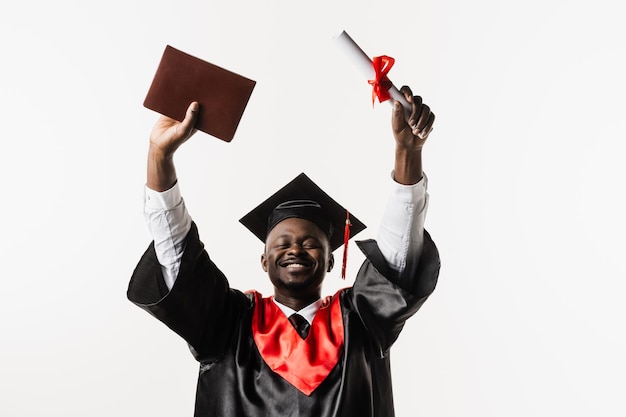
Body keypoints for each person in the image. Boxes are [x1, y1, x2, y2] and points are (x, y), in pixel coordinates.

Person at [127, 86, 440, 416]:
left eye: (309, 244)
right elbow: (178, 255)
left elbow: (396, 258)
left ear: (331, 259)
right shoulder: (226, 323)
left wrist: (407, 152)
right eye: (282, 244)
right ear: (263, 261)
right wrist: (159, 156)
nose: (296, 250)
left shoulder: (361, 320)